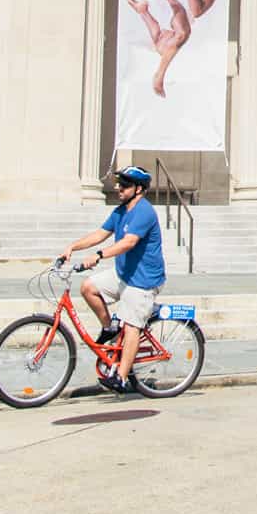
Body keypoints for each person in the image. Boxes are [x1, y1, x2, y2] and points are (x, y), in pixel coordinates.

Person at [59, 165, 168, 391]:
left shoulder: (144, 211)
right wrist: (73, 246)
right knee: (88, 288)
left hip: (143, 281)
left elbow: (128, 242)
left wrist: (98, 256)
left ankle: (121, 376)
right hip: (123, 274)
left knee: (131, 325)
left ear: (139, 189)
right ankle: (109, 327)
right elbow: (100, 234)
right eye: (119, 183)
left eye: (125, 185)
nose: (119, 188)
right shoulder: (120, 211)